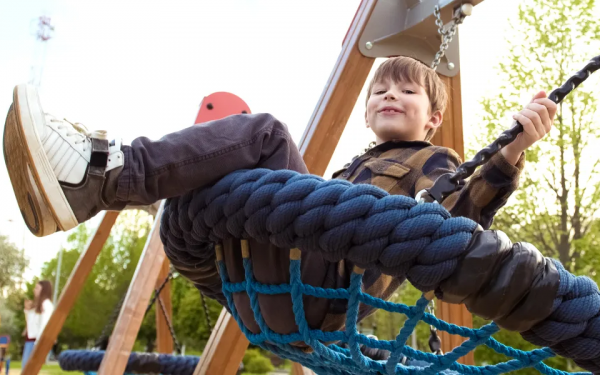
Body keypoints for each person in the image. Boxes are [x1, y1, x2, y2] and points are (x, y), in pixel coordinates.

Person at [3, 56, 557, 347]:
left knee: (264, 133)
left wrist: (509, 153)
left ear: (432, 117)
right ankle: (110, 183)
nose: (391, 95)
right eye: (380, 90)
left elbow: (459, 222)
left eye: (408, 91)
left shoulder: (433, 160)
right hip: (264, 295)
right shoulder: (345, 172)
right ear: (367, 113)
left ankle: (105, 175)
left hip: (321, 295)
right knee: (224, 168)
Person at [21, 280, 53, 367]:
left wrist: (38, 344)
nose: (34, 290)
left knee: (27, 369)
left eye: (37, 288)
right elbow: (30, 325)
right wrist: (27, 310)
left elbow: (45, 325)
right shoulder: (38, 305)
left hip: (35, 341)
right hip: (30, 340)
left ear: (44, 290)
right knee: (26, 368)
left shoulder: (46, 305)